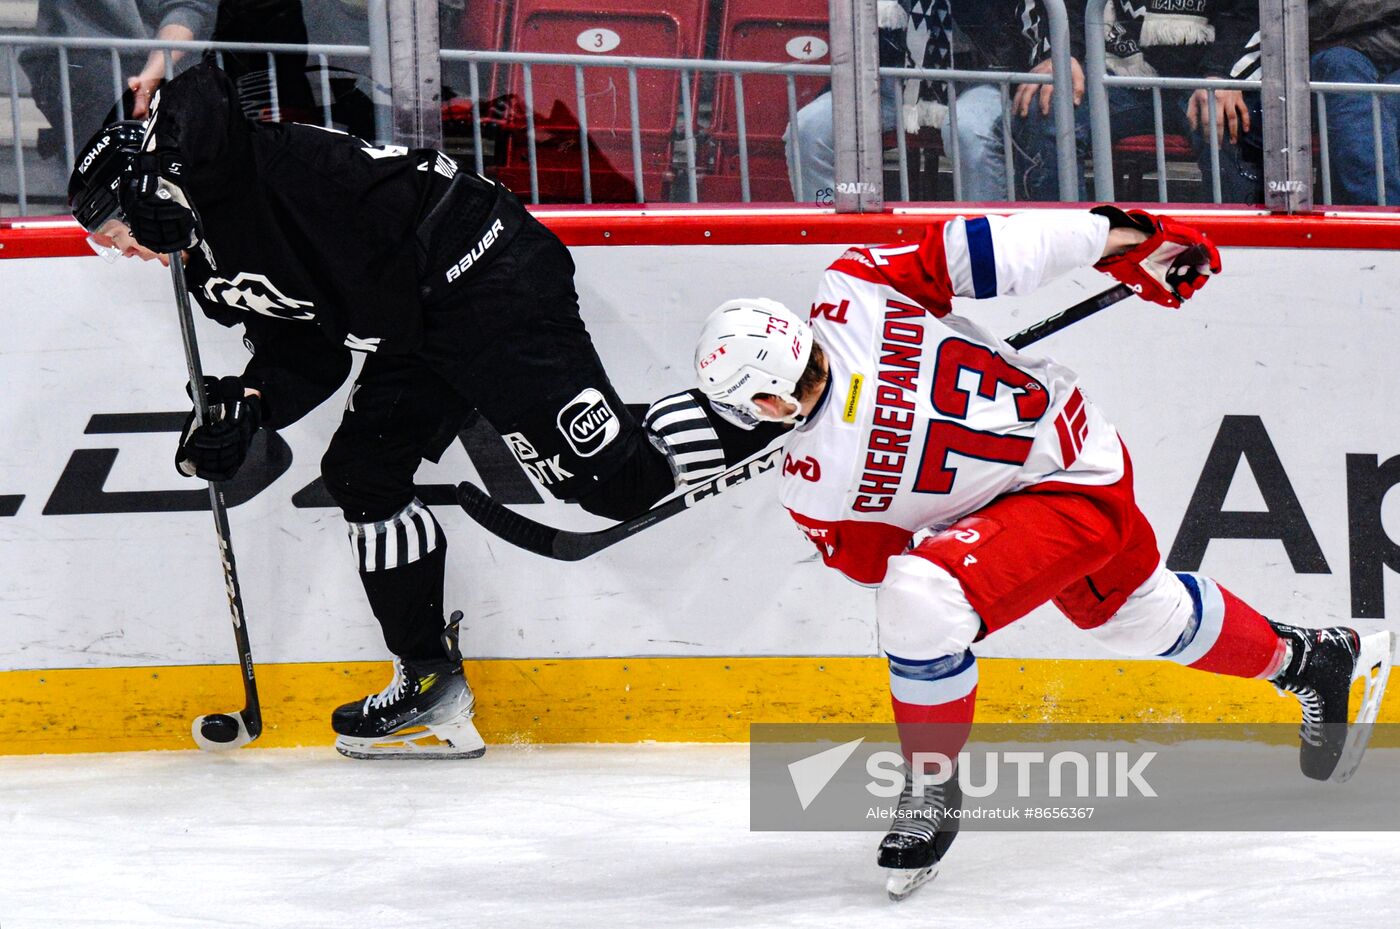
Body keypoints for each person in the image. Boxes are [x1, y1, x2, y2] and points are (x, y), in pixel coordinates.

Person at [66, 63, 780, 760]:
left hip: (481, 268)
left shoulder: (218, 166)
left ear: (142, 188)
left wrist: (159, 165)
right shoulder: (208, 274)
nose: (119, 250)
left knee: (621, 486)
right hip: (415, 326)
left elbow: (205, 90)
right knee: (362, 473)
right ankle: (429, 681)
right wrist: (249, 405)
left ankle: (784, 395)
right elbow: (310, 353)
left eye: (110, 227)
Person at [691, 206, 1392, 898]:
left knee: (915, 593)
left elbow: (885, 567)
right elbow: (989, 245)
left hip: (1068, 489)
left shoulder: (810, 491)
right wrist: (1126, 235)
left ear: (767, 406)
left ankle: (931, 786)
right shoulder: (853, 286)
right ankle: (1312, 656)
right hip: (1079, 450)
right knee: (1138, 617)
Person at [785, 0, 1063, 204]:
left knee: (970, 133)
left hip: (983, 74)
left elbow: (1006, 28)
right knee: (808, 131)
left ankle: (988, 250)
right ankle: (832, 243)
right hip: (895, 78)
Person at [1017, 0, 1261, 203]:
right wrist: (1061, 54)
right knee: (1048, 107)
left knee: (1234, 121)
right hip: (1112, 68)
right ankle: (1064, 244)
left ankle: (1236, 252)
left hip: (1208, 71)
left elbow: (1256, 11)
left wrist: (1224, 74)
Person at [20, 0, 216, 159]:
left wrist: (150, 76)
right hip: (79, 53)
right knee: (112, 112)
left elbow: (191, 8)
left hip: (163, 59)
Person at [1308, 0, 1400, 205]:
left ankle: (1382, 216)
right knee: (1346, 76)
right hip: (1336, 56)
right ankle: (1385, 218)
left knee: (1376, 109)